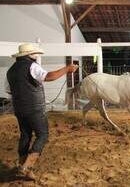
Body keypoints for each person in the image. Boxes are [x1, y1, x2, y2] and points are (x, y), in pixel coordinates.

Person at [6, 43, 78, 180]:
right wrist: (67, 69)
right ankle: (27, 166)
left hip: (19, 109)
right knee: (42, 135)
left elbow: (9, 90)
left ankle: (23, 167)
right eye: (35, 54)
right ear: (30, 55)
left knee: (25, 135)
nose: (36, 56)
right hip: (35, 108)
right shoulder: (32, 66)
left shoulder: (10, 71)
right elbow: (49, 76)